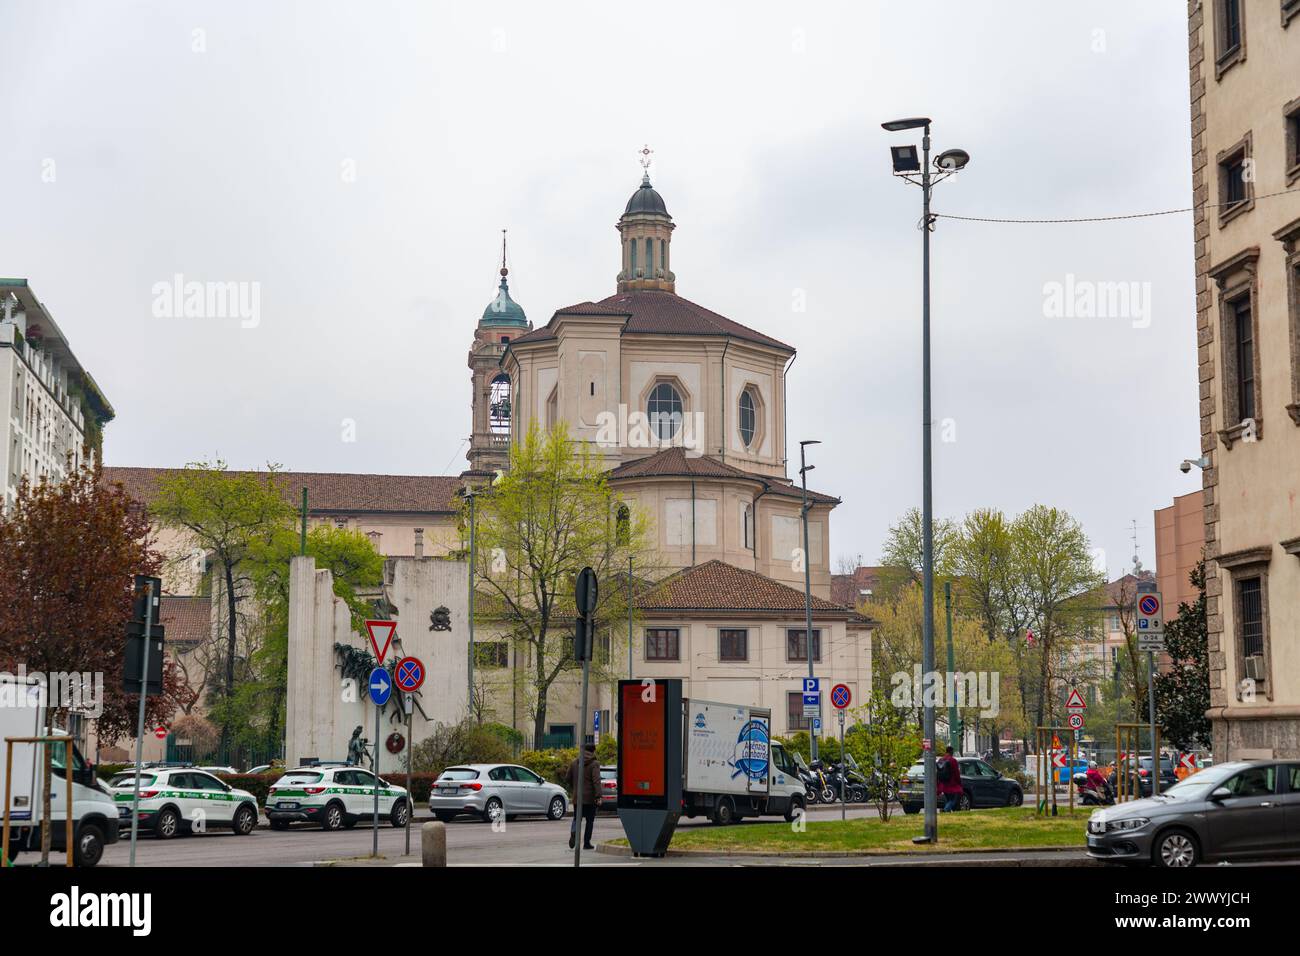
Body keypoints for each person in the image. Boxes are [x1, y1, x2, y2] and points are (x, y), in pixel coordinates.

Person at [565, 742, 601, 850]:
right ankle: (586, 843)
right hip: (590, 798)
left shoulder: (574, 762)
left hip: (577, 797)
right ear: (593, 751)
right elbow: (596, 781)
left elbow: (567, 778)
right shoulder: (594, 763)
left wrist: (575, 787)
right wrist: (598, 796)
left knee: (577, 818)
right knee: (590, 821)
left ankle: (574, 831)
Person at [936, 746, 964, 812]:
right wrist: (959, 783)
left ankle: (947, 810)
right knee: (954, 799)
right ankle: (946, 809)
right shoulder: (953, 760)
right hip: (952, 784)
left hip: (943, 784)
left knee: (948, 799)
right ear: (951, 751)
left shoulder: (941, 760)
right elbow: (956, 773)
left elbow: (938, 772)